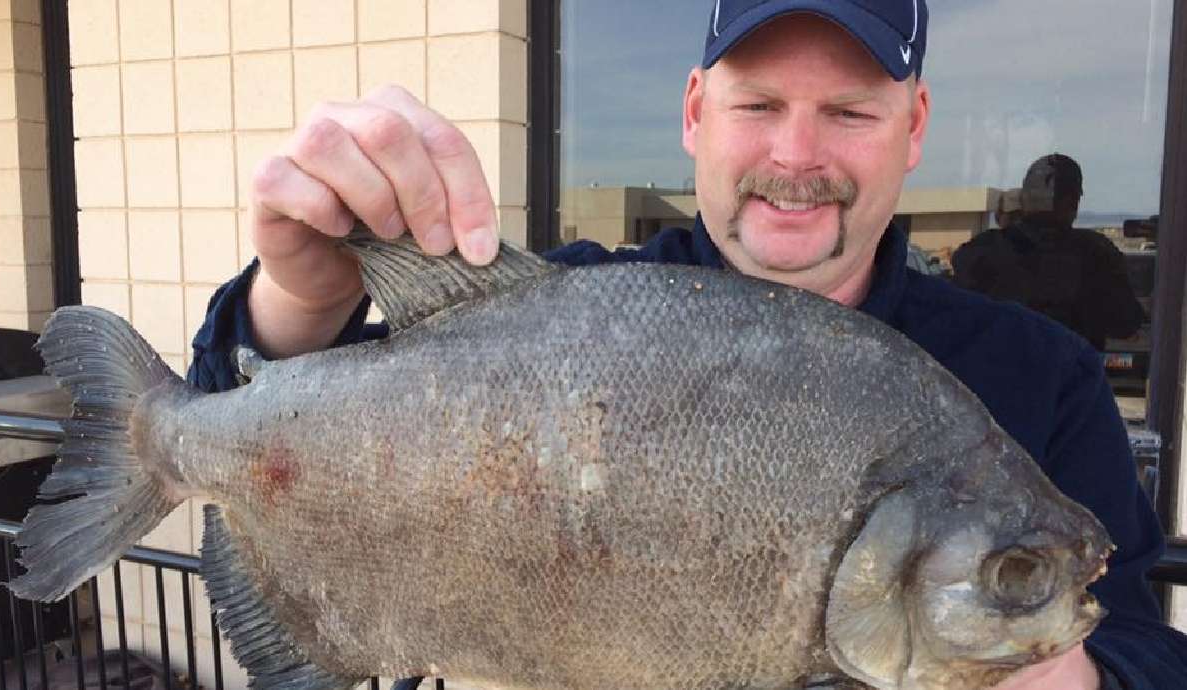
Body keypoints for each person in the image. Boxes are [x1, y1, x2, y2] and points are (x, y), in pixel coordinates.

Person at [189, 1, 1187, 688]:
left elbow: (1147, 646)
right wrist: (297, 292)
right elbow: (232, 418)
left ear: (912, 126)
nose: (796, 156)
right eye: (757, 105)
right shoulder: (571, 305)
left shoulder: (1039, 375)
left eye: (847, 110)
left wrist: (1035, 661)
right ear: (694, 112)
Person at [953, 153, 1146, 350]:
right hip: (1069, 376)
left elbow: (957, 319)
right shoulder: (1094, 252)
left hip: (994, 375)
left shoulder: (983, 250)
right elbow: (1126, 323)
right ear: (1072, 202)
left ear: (1025, 198)